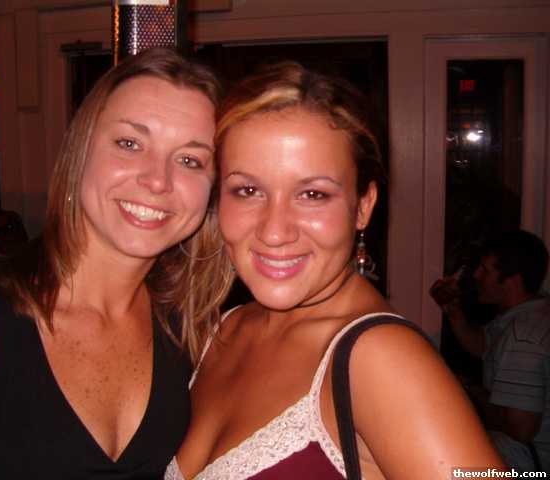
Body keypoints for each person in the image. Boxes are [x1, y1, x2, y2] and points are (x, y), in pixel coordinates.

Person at [165, 62, 504, 480]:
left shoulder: (381, 359)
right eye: (248, 190)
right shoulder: (221, 330)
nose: (274, 231)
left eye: (312, 194)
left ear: (363, 206)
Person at [0, 48, 233, 479]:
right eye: (129, 143)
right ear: (80, 150)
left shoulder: (192, 330)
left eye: (190, 160)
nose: (157, 180)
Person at [431, 229, 550, 473]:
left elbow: (520, 428)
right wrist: (454, 312)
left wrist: (468, 392)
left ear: (511, 280)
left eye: (485, 270)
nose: (476, 275)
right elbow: (486, 347)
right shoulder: (531, 313)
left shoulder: (523, 338)